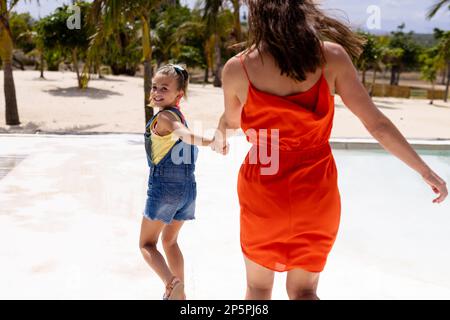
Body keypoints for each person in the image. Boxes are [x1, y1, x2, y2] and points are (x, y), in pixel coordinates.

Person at [211, 0, 448, 300]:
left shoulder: (237, 68)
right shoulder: (331, 57)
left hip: (264, 189)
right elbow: (377, 124)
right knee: (304, 291)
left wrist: (221, 127)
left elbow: (233, 121)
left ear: (258, 15)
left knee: (258, 289)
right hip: (316, 191)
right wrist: (425, 171)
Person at [139, 64, 214, 300]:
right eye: (154, 87)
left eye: (164, 88)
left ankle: (171, 283)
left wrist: (210, 141)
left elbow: (182, 133)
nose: (157, 92)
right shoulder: (179, 114)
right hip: (188, 191)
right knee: (170, 240)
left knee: (147, 244)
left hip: (165, 189)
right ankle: (180, 298)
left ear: (178, 95)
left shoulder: (165, 117)